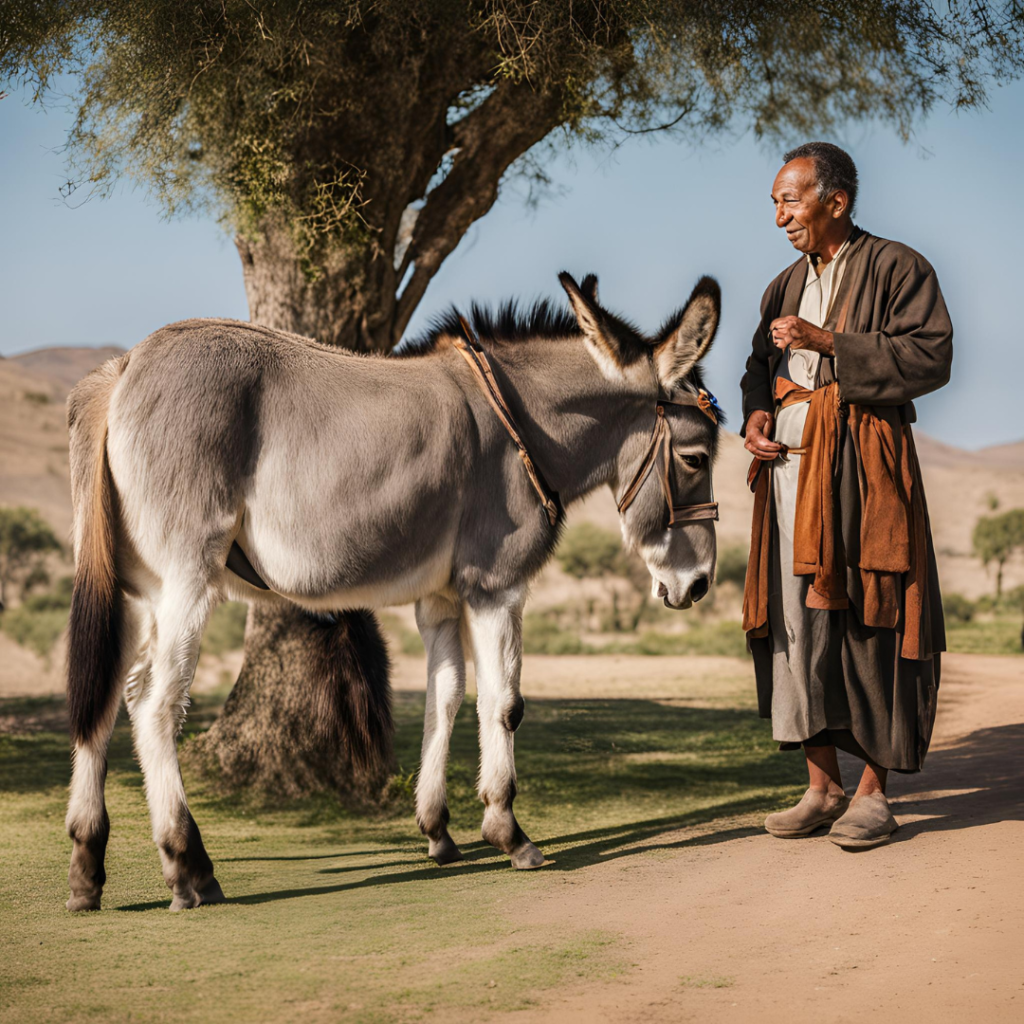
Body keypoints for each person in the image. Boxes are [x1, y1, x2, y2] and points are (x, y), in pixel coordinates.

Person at [740, 142, 953, 849]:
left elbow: (931, 356)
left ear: (836, 201)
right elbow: (757, 367)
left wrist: (827, 340)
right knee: (796, 631)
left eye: (790, 201)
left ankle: (872, 794)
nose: (780, 218)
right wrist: (757, 415)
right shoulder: (779, 285)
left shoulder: (898, 267)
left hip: (864, 475)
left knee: (873, 616)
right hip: (787, 482)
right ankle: (821, 785)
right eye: (775, 202)